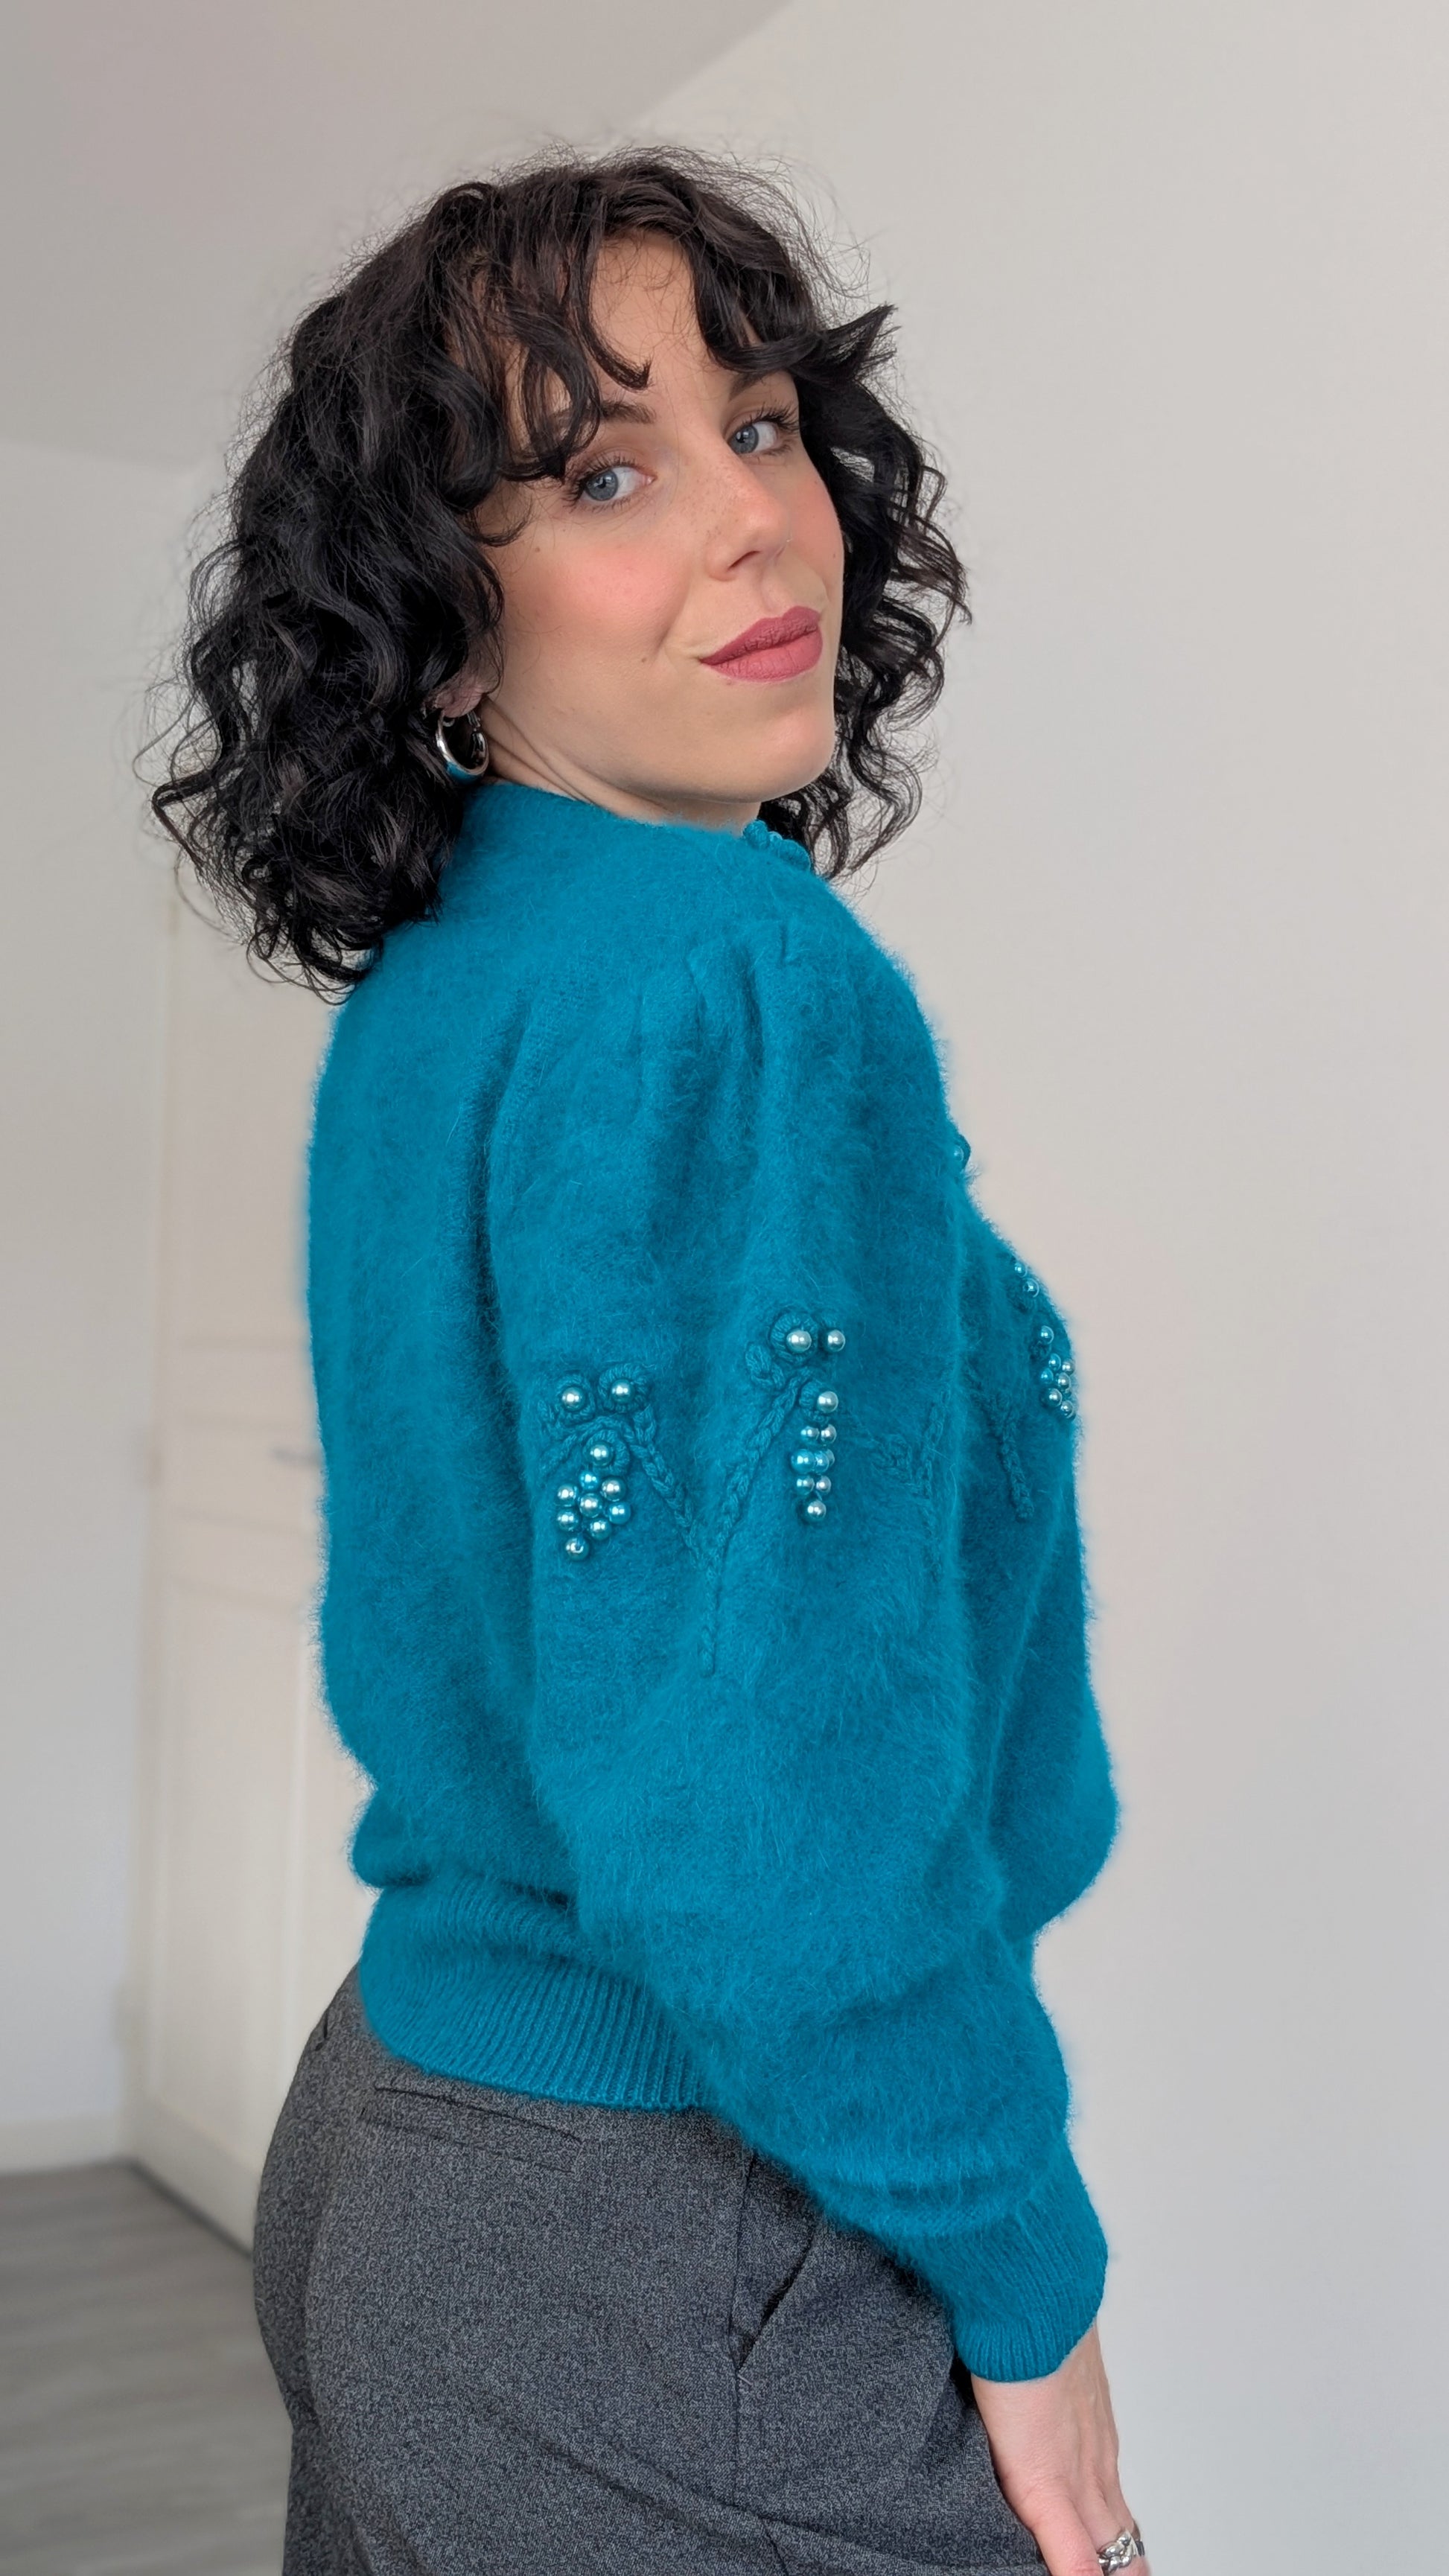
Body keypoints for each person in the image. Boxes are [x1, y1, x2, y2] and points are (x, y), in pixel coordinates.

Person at [152, 144, 1147, 2576]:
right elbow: (766, 1799)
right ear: (439, 625)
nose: (753, 521)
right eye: (603, 475)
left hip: (409, 2148)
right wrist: (1023, 2270)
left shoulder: (458, 982)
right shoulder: (734, 979)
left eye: (762, 423)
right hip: (670, 2234)